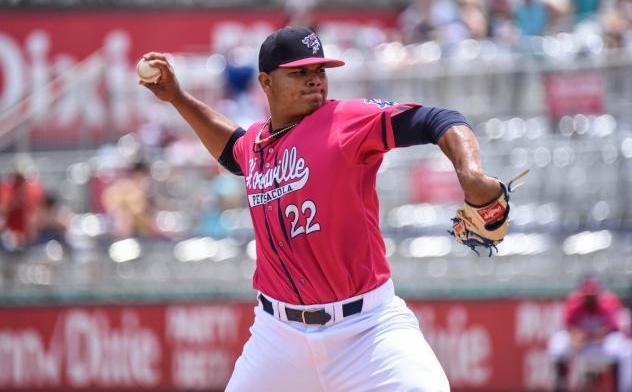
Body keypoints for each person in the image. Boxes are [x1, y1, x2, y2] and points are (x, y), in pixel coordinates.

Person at [141, 26, 505, 391]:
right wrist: (178, 97)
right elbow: (234, 150)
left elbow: (437, 119)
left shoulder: (346, 121)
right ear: (266, 83)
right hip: (278, 337)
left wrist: (469, 171)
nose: (314, 81)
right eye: (299, 73)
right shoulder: (256, 143)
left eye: (319, 71)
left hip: (367, 330)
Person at [548, 276, 632, 392]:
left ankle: (620, 389)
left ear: (598, 293)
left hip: (600, 345)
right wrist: (575, 335)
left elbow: (610, 329)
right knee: (558, 343)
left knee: (623, 348)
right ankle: (560, 387)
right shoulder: (574, 301)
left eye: (592, 295)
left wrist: (589, 337)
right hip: (581, 343)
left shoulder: (609, 301)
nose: (589, 299)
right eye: (587, 296)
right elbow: (568, 326)